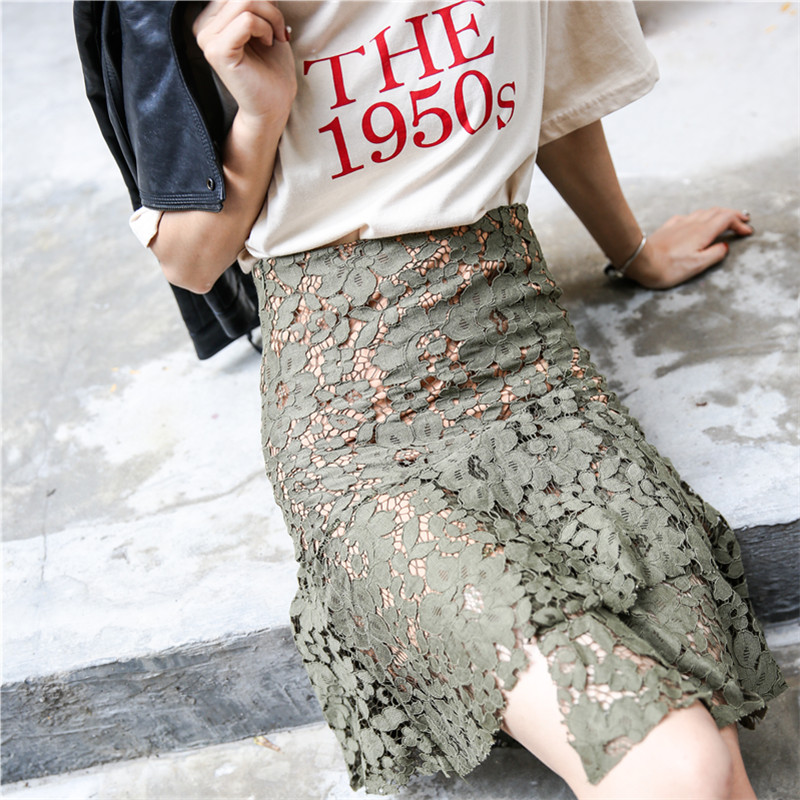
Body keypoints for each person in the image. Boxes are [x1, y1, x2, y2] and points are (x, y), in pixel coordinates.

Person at [127, 2, 786, 798]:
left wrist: (633, 248)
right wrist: (261, 115)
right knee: (688, 766)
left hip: (533, 371)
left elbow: (548, 79)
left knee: (706, 765)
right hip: (357, 415)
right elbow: (190, 262)